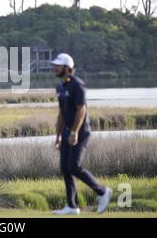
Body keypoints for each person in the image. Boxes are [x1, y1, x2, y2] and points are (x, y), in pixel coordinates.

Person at [51, 53, 112, 215]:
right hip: (66, 132)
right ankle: (72, 206)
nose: (55, 67)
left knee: (74, 166)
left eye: (58, 65)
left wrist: (74, 132)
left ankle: (103, 191)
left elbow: (82, 110)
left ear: (68, 68)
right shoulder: (60, 86)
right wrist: (58, 137)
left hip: (81, 132)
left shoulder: (77, 85)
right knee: (65, 168)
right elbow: (61, 113)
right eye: (55, 65)